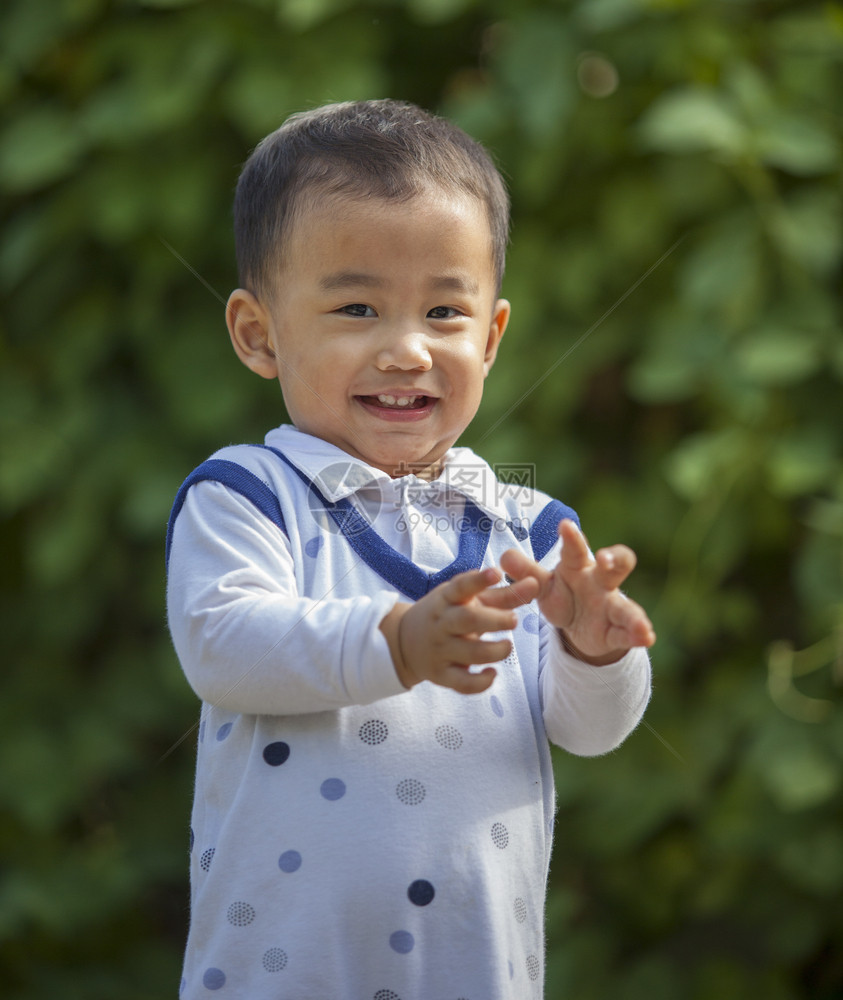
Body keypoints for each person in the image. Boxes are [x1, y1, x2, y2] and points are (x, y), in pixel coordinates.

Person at [166, 99, 655, 1000]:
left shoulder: (533, 531)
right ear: (258, 333)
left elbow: (588, 732)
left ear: (492, 336)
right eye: (357, 307)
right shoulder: (246, 497)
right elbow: (223, 645)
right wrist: (396, 643)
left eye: (442, 311)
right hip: (286, 972)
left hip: (475, 972)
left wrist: (595, 649)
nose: (405, 350)